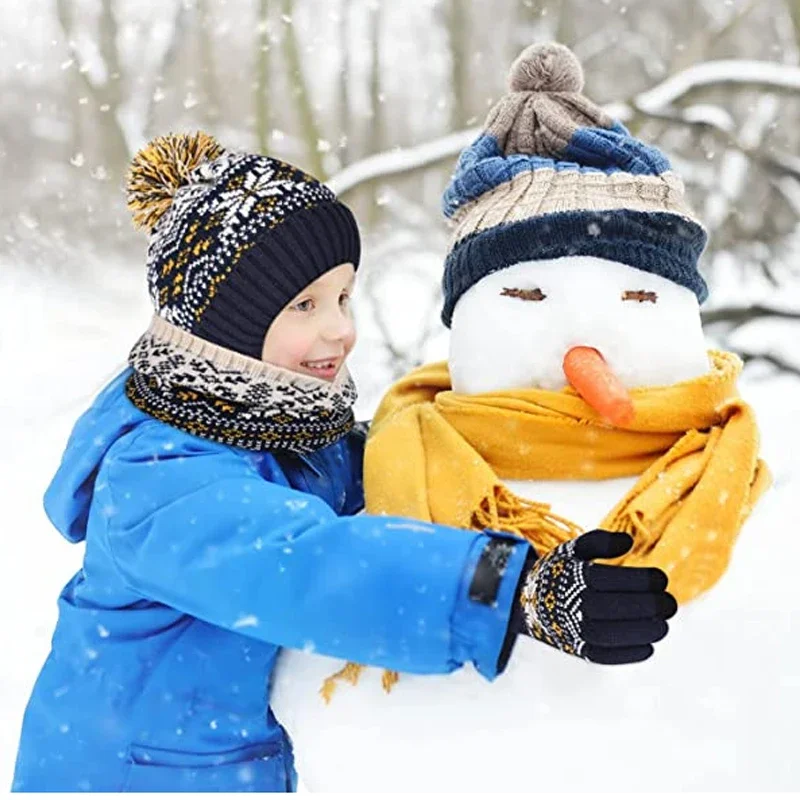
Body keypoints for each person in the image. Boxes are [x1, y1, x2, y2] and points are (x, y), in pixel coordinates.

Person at [11, 132, 675, 793]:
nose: (340, 329)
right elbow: (304, 565)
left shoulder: (282, 429)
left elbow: (379, 466)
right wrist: (509, 593)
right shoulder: (162, 476)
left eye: (344, 297)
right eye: (305, 305)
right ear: (226, 330)